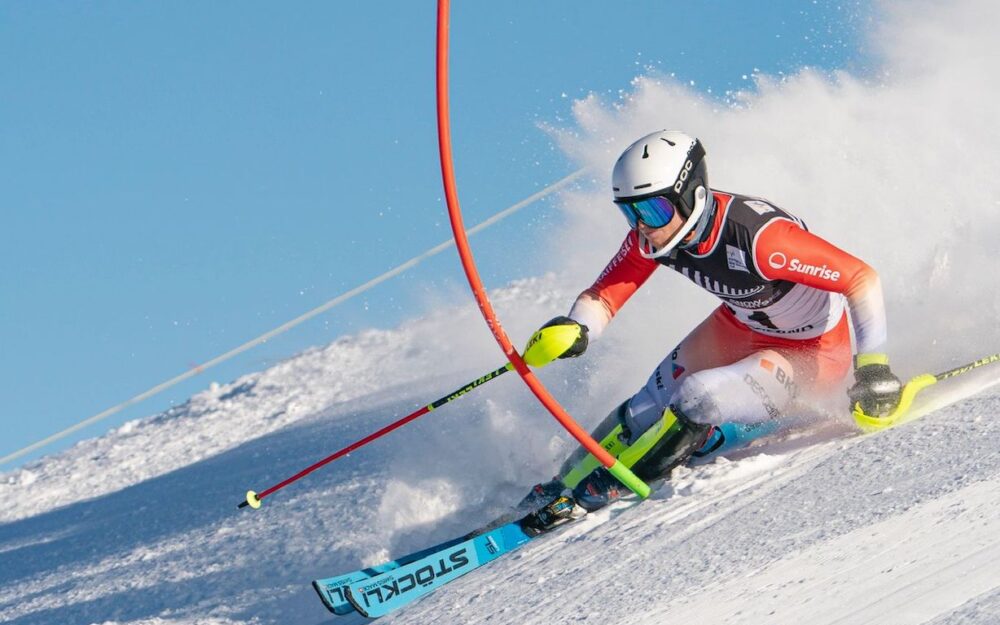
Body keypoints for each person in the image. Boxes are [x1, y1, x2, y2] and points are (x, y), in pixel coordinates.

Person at [517, 130, 904, 533]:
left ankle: (596, 494)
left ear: (691, 195)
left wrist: (874, 369)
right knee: (644, 408)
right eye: (630, 213)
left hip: (812, 351)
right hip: (741, 326)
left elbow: (861, 279)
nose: (643, 227)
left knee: (698, 398)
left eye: (653, 210)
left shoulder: (760, 239)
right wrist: (576, 327)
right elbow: (605, 296)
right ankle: (559, 488)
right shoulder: (658, 237)